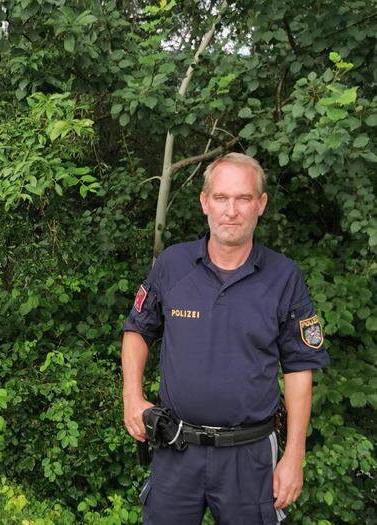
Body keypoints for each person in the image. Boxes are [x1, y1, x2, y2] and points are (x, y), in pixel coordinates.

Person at [121, 153, 329, 524]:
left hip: (248, 457)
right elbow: (138, 329)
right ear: (204, 203)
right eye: (221, 198)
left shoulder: (284, 277)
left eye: (243, 198)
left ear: (260, 205)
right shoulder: (172, 265)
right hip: (176, 450)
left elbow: (300, 368)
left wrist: (294, 454)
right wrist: (132, 396)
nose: (231, 210)